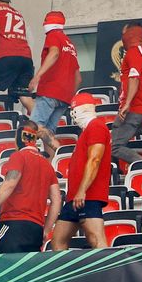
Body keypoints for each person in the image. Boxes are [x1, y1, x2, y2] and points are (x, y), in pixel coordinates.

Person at [0, 120, 61, 253]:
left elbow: (10, 183)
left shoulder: (19, 156)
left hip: (14, 224)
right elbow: (56, 200)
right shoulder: (47, 165)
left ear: (20, 137)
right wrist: (46, 230)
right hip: (36, 229)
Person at [52, 93, 111, 250]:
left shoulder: (97, 127)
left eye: (74, 110)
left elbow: (95, 160)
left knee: (95, 239)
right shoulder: (87, 131)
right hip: (76, 197)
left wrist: (82, 191)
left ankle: (109, 273)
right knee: (58, 241)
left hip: (87, 196)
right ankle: (65, 274)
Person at [28, 11, 81, 158]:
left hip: (50, 90)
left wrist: (37, 76)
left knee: (31, 127)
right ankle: (50, 167)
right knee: (48, 131)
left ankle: (25, 159)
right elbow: (78, 77)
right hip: (64, 97)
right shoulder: (70, 44)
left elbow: (54, 53)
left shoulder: (53, 36)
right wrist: (68, 95)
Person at [112, 22, 142, 163]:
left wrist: (128, 104)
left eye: (123, 33)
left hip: (133, 109)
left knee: (115, 147)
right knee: (113, 139)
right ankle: (115, 172)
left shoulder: (134, 52)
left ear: (130, 34)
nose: (122, 37)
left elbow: (134, 77)